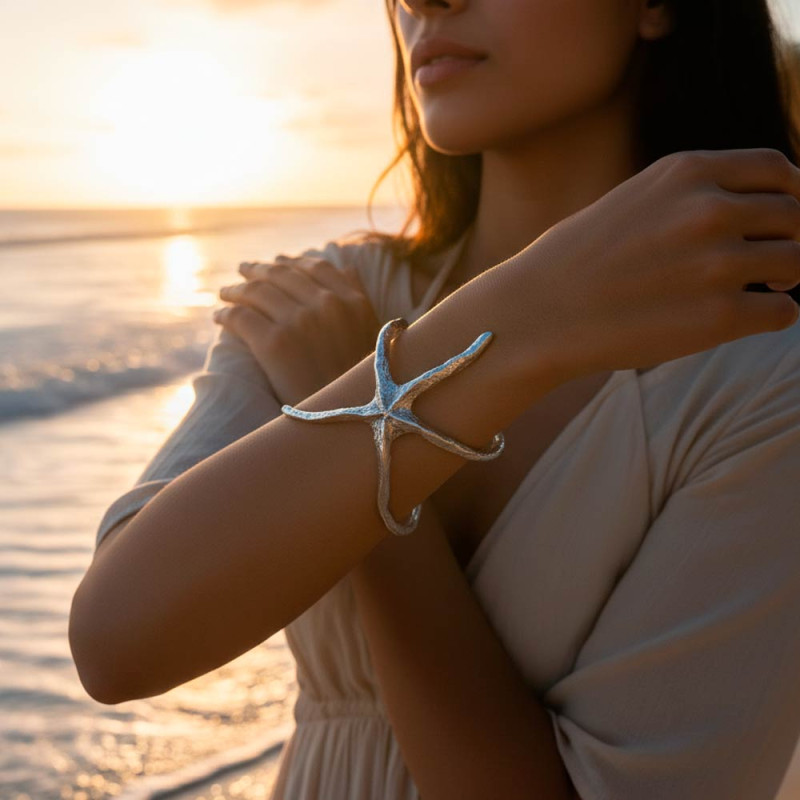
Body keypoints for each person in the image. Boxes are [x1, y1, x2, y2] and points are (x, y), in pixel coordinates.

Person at [70, 0, 800, 798]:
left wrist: (381, 414)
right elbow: (118, 640)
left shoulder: (764, 380)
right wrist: (508, 327)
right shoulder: (327, 297)